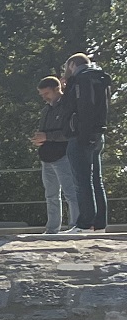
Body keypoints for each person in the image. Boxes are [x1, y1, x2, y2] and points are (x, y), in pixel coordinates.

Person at [63, 52, 110, 230]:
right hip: (99, 133)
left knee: (82, 181)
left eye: (67, 67)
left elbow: (81, 107)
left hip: (81, 135)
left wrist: (82, 134)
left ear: (73, 65)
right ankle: (99, 224)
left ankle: (84, 223)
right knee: (97, 180)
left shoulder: (80, 80)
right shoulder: (100, 78)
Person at [34, 76, 79, 235]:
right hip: (47, 156)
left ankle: (75, 225)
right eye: (42, 94)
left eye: (46, 93)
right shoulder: (46, 110)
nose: (44, 97)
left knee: (70, 192)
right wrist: (40, 140)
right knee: (51, 194)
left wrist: (47, 137)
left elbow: (70, 133)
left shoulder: (67, 106)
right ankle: (52, 228)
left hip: (63, 155)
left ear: (56, 89)